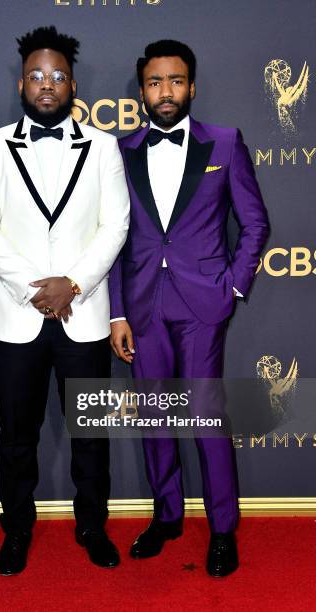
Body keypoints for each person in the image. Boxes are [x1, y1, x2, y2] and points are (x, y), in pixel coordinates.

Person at [0, 25, 129, 575]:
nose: (47, 84)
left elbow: (116, 225)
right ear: (21, 84)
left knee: (91, 436)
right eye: (37, 75)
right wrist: (37, 287)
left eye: (57, 76)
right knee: (16, 438)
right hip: (16, 317)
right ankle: (16, 532)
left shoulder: (104, 147)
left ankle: (92, 527)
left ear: (73, 85)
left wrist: (73, 285)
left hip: (84, 318)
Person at [109, 39, 269, 577]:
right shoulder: (121, 150)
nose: (166, 91)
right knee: (155, 419)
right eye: (155, 83)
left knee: (205, 419)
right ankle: (167, 516)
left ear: (192, 86)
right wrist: (116, 312)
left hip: (204, 305)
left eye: (176, 81)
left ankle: (223, 530)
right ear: (142, 91)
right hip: (142, 307)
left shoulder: (225, 143)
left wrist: (234, 287)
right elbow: (112, 239)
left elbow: (255, 223)